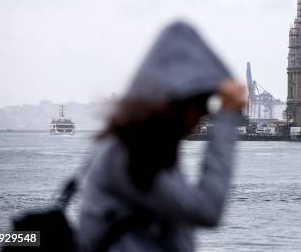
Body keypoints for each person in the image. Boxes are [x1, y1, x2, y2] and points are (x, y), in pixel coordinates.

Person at [78, 22, 246, 252]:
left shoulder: (148, 151)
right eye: (199, 105)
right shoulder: (130, 155)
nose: (204, 114)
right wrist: (226, 117)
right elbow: (207, 210)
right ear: (176, 106)